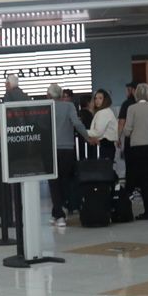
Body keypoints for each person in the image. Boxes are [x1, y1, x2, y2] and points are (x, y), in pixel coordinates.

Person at [47, 83, 89, 227]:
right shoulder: (69, 106)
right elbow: (77, 124)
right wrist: (88, 137)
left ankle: (59, 215)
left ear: (49, 95)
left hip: (52, 149)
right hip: (68, 149)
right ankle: (57, 211)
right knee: (65, 181)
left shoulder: (47, 107)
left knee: (53, 183)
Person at [123, 83, 148, 220]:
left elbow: (127, 130)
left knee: (144, 179)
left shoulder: (132, 108)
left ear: (136, 93)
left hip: (138, 147)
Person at [117, 82, 138, 193]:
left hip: (130, 138)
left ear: (132, 90)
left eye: (127, 90)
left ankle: (130, 189)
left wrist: (118, 137)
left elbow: (121, 122)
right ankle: (141, 187)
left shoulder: (127, 104)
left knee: (130, 165)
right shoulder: (147, 104)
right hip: (145, 140)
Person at [87, 89, 118, 162]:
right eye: (95, 98)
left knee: (103, 170)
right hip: (107, 145)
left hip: (104, 146)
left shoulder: (103, 112)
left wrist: (83, 132)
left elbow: (98, 132)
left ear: (105, 100)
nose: (97, 100)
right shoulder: (106, 111)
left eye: (100, 98)